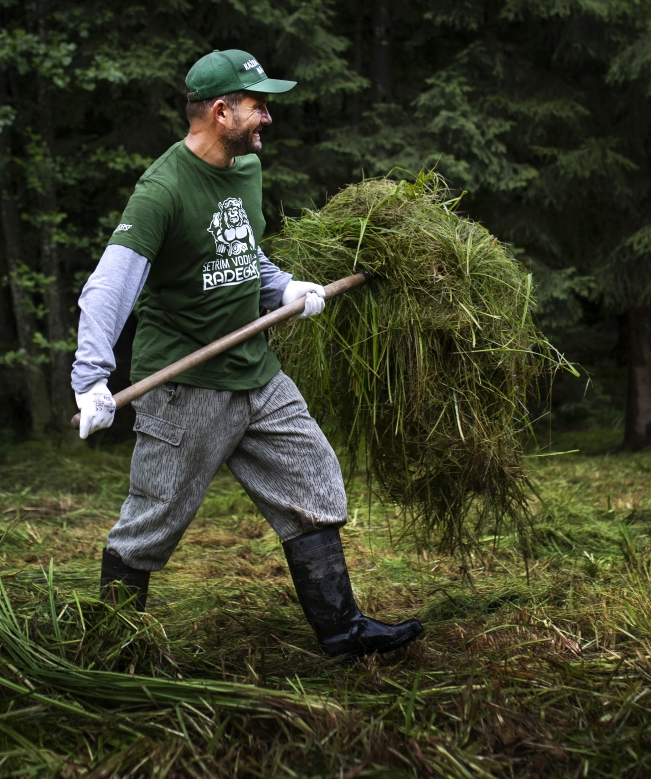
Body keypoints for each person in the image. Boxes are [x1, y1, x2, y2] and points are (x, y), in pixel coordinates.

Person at [69, 49, 423, 659]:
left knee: (314, 481)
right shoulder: (163, 190)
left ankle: (342, 631)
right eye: (258, 107)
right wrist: (91, 377)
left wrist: (284, 286)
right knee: (151, 525)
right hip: (186, 386)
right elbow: (110, 285)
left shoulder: (245, 170)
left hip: (257, 372)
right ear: (220, 110)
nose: (267, 119)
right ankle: (112, 653)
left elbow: (241, 254)